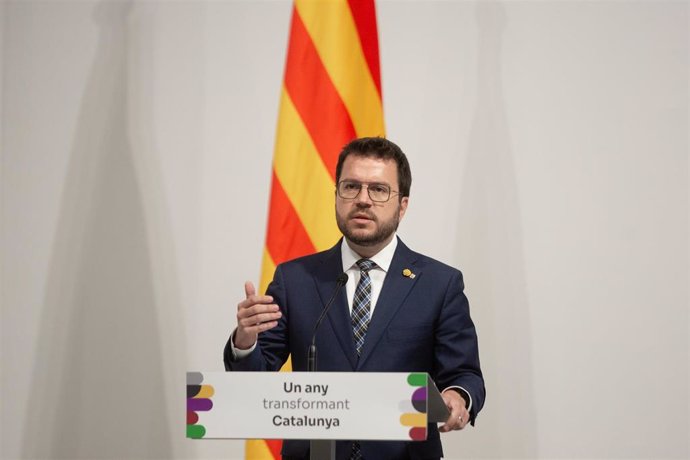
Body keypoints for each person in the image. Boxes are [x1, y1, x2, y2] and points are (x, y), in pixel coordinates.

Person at [225, 137, 485, 460]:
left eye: (378, 190)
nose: (363, 200)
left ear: (402, 205)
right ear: (336, 195)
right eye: (351, 187)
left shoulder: (439, 284)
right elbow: (253, 385)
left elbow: (465, 375)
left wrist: (457, 397)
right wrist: (245, 341)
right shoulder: (295, 280)